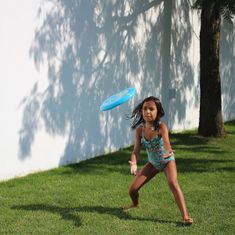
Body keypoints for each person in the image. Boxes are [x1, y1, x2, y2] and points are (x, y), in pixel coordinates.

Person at [124, 96, 193, 225]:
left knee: (173, 182)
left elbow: (166, 142)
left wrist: (168, 151)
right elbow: (136, 150)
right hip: (153, 163)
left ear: (158, 112)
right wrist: (134, 162)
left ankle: (185, 217)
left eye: (151, 109)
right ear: (141, 111)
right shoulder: (140, 130)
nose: (147, 112)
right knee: (132, 190)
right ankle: (135, 204)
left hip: (167, 160)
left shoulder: (162, 127)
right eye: (145, 109)